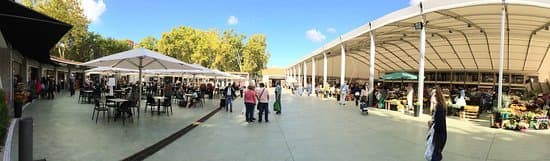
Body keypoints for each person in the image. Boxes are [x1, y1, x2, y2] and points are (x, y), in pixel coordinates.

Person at [425, 87, 447, 161]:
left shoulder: (440, 108)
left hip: (439, 136)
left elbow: (439, 126)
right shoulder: (438, 107)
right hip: (439, 136)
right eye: (432, 95)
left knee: (434, 155)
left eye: (434, 95)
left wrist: (432, 124)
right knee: (435, 154)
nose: (432, 97)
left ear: (438, 97)